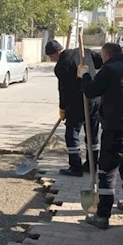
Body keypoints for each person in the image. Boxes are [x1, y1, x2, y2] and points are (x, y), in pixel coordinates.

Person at [79, 43, 123, 230]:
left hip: (117, 127)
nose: (102, 60)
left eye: (102, 57)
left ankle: (102, 215)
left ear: (108, 55)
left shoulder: (109, 70)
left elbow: (90, 91)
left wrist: (84, 75)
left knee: (107, 170)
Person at [45, 39, 104, 177]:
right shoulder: (85, 52)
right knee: (92, 133)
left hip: (78, 103)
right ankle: (92, 164)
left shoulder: (61, 66)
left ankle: (75, 167)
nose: (51, 59)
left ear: (57, 52)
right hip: (95, 99)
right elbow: (101, 62)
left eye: (51, 56)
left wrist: (63, 108)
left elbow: (63, 90)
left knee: (72, 134)